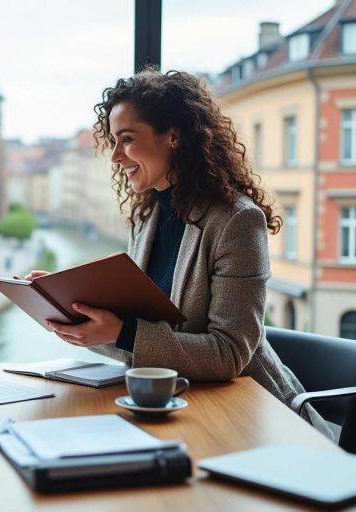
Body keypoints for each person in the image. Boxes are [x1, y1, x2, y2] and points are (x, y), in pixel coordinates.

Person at [25, 68, 331, 437]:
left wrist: (120, 332)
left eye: (127, 139)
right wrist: (72, 312)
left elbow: (229, 354)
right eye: (113, 142)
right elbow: (144, 341)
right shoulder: (146, 215)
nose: (116, 157)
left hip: (250, 418)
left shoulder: (237, 221)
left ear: (172, 136)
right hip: (169, 407)